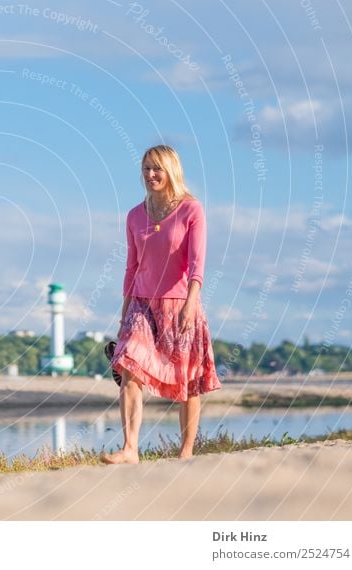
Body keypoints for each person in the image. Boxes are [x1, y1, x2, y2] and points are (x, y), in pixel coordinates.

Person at [101, 145, 221, 464]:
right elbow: (132, 266)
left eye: (157, 169)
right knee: (128, 366)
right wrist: (125, 311)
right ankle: (129, 448)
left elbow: (197, 264)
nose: (151, 175)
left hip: (181, 303)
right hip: (141, 304)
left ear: (171, 171)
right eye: (146, 169)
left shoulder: (191, 209)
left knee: (188, 382)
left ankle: (186, 452)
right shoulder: (134, 216)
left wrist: (190, 303)